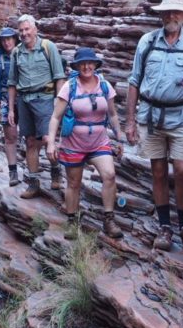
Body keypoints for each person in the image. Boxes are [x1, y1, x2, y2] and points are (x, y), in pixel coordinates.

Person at [125, 0, 183, 250]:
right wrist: (129, 121)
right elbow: (134, 81)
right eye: (167, 11)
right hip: (150, 117)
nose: (172, 16)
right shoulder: (147, 42)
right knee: (158, 171)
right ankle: (164, 226)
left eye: (177, 11)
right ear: (160, 14)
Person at [46, 48, 124, 238]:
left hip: (99, 141)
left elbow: (112, 114)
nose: (87, 66)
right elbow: (56, 117)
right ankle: (72, 222)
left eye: (90, 63)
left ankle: (109, 219)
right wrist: (51, 143)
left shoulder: (104, 86)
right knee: (74, 183)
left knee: (110, 175)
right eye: (82, 63)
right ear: (77, 66)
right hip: (73, 143)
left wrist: (119, 137)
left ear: (96, 65)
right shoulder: (70, 87)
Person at [8, 14, 66, 199]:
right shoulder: (16, 52)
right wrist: (10, 108)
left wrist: (59, 102)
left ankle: (56, 170)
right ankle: (33, 184)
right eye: (21, 30)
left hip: (45, 99)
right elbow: (11, 83)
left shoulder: (48, 47)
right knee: (30, 142)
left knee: (49, 139)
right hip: (24, 101)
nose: (24, 33)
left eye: (27, 29)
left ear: (35, 29)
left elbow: (59, 77)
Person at [0, 27, 21, 185]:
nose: (7, 42)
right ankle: (13, 173)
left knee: (32, 137)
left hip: (23, 100)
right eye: (4, 40)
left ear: (15, 39)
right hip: (4, 100)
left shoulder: (23, 54)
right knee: (10, 137)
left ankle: (34, 172)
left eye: (9, 38)